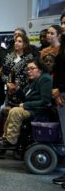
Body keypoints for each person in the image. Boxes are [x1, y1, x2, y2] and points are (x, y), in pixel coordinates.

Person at [0, 58, 52, 148]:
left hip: (39, 111)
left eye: (32, 68)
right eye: (27, 69)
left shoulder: (45, 79)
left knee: (15, 111)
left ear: (40, 69)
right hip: (31, 108)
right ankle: (5, 138)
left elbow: (46, 101)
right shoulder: (34, 80)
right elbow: (26, 98)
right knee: (7, 110)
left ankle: (11, 141)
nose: (29, 71)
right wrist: (17, 89)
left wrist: (25, 105)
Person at [51, 12, 65, 189]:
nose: (63, 25)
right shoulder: (63, 46)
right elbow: (58, 69)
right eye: (62, 22)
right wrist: (56, 90)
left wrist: (60, 90)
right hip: (61, 94)